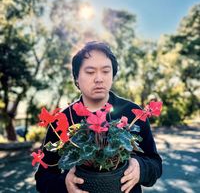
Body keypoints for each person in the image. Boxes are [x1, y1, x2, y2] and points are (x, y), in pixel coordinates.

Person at [35, 41, 162, 193]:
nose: (99, 79)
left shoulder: (132, 112)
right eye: (90, 72)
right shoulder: (61, 120)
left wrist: (141, 168)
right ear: (76, 78)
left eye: (106, 71)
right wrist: (65, 184)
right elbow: (43, 179)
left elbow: (155, 164)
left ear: (113, 75)